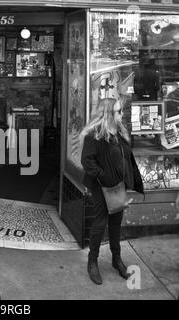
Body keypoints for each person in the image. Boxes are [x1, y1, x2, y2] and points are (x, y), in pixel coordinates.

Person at [80, 98, 144, 285]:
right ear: (107, 114)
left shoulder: (120, 133)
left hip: (118, 186)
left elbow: (125, 158)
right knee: (100, 223)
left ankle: (117, 260)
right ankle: (92, 262)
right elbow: (87, 162)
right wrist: (104, 177)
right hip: (101, 185)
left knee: (116, 222)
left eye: (120, 111)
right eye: (118, 111)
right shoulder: (94, 135)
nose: (121, 114)